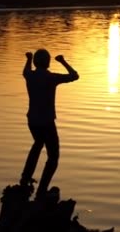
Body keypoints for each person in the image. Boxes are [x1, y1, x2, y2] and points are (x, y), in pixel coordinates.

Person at [20, 49, 79, 199]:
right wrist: (63, 61)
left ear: (35, 63)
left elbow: (26, 70)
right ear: (48, 63)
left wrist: (29, 58)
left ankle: (25, 179)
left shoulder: (30, 76)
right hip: (46, 122)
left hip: (32, 121)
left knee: (38, 144)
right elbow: (74, 76)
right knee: (53, 156)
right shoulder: (50, 77)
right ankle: (41, 190)